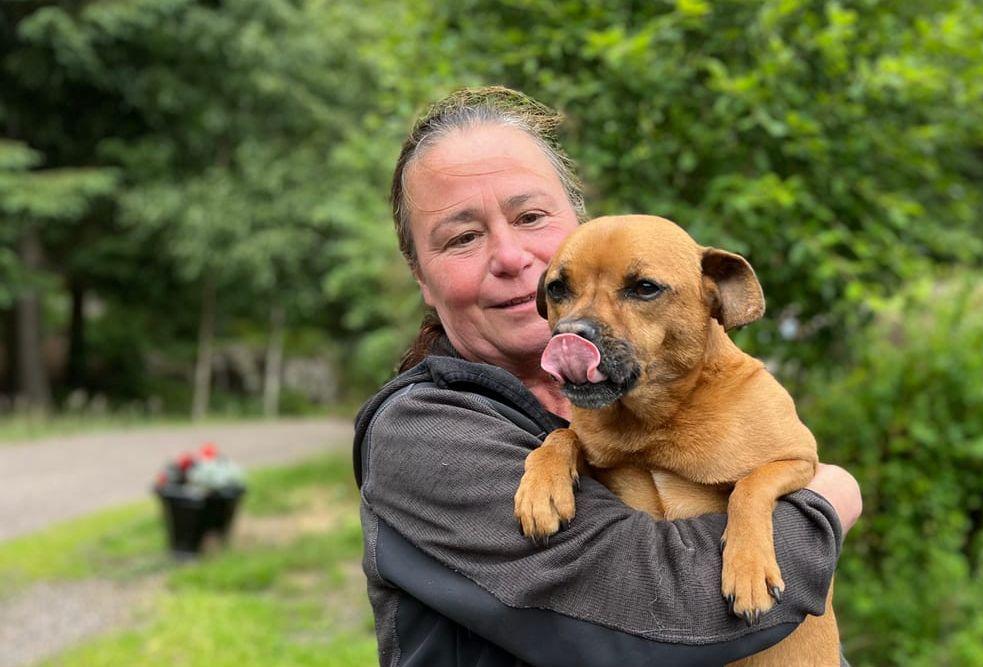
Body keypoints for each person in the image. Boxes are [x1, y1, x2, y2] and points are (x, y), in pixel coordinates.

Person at [355, 86, 863, 667]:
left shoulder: (681, 394)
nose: (512, 257)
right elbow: (665, 613)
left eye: (531, 216)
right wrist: (824, 508)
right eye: (462, 237)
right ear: (423, 278)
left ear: (581, 227)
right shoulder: (420, 435)